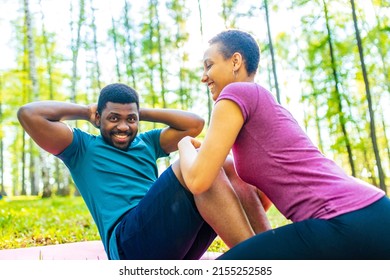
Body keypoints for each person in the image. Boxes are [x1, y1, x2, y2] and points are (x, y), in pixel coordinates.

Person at [177, 29, 390, 259]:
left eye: (209, 65)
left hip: (343, 219)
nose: (204, 76)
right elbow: (264, 194)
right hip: (371, 216)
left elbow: (199, 180)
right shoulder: (262, 104)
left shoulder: (235, 93)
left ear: (235, 61)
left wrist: (184, 145)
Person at [17, 83, 270, 260]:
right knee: (192, 163)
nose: (123, 126)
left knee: (224, 163)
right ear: (99, 118)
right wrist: (85, 111)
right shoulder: (81, 147)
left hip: (173, 246)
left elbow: (194, 123)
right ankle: (257, 257)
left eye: (131, 119)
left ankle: (271, 250)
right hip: (129, 247)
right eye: (113, 118)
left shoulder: (147, 143)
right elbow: (29, 114)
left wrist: (137, 109)